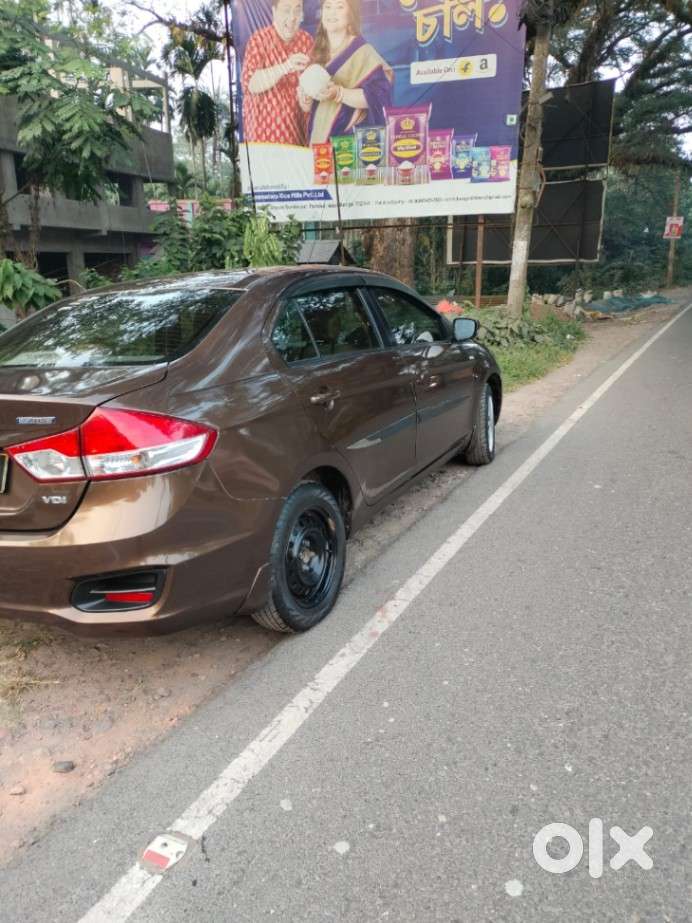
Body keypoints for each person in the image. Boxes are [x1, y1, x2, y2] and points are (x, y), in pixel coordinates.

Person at [299, 0, 393, 145]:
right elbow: (310, 108)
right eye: (328, 6)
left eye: (339, 6)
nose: (332, 12)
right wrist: (306, 100)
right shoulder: (316, 52)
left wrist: (339, 93)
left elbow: (379, 96)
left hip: (349, 144)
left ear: (350, 14)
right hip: (319, 145)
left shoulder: (363, 52)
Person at [241, 0, 313, 145]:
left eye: (297, 10)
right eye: (286, 10)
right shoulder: (259, 40)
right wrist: (285, 67)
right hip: (262, 144)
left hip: (298, 144)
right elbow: (250, 84)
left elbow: (313, 93)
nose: (292, 17)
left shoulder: (307, 41)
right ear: (274, 11)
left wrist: (308, 98)